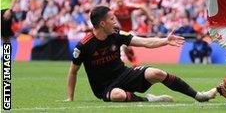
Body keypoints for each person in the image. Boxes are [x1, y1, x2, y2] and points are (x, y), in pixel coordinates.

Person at [66, 6, 215, 102]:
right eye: (112, 19)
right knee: (118, 95)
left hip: (124, 75)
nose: (116, 22)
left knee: (156, 73)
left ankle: (198, 96)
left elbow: (145, 42)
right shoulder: (84, 45)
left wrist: (165, 41)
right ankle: (149, 100)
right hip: (104, 88)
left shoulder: (117, 35)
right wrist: (70, 98)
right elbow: (73, 72)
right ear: (102, 24)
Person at [111, 0, 153, 67]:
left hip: (131, 30)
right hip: (121, 31)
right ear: (115, 0)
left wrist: (149, 17)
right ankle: (134, 62)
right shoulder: (113, 9)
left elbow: (142, 6)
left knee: (126, 46)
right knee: (124, 49)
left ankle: (133, 61)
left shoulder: (128, 6)